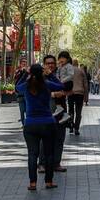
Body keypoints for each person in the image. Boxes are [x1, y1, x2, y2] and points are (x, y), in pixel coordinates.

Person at [15, 62, 64, 190]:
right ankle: (48, 182)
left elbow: (17, 87)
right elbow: (61, 85)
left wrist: (25, 73)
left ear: (31, 73)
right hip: (48, 122)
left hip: (30, 124)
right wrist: (51, 74)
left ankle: (33, 183)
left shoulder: (26, 86)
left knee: (32, 154)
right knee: (49, 153)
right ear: (42, 72)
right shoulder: (47, 84)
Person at [43, 54, 70, 171]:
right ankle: (42, 163)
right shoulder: (40, 77)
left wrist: (64, 93)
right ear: (44, 64)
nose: (50, 65)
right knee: (44, 138)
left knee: (59, 137)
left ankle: (56, 163)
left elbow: (69, 88)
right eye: (48, 63)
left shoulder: (61, 74)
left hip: (60, 110)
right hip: (45, 111)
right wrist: (52, 94)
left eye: (52, 63)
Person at [64, 52, 88, 135]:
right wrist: (86, 97)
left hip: (71, 93)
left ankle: (71, 126)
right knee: (78, 112)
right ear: (77, 64)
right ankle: (76, 128)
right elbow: (85, 84)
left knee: (70, 110)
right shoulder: (81, 71)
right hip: (80, 93)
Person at [13, 59, 29, 125]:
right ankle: (23, 124)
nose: (24, 64)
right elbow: (16, 80)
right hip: (20, 94)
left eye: (25, 62)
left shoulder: (28, 72)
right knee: (22, 110)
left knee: (28, 110)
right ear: (20, 64)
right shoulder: (18, 71)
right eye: (23, 62)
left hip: (27, 94)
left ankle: (28, 123)